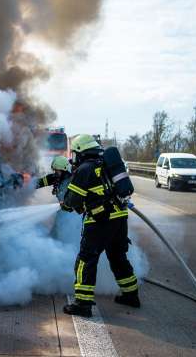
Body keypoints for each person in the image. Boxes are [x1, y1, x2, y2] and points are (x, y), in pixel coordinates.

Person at [62, 134, 140, 317]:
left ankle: (82, 304)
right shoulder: (106, 164)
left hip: (100, 221)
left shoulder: (85, 169)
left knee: (86, 259)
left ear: (80, 152)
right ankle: (131, 295)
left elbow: (72, 200)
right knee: (118, 257)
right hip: (120, 218)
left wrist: (65, 205)